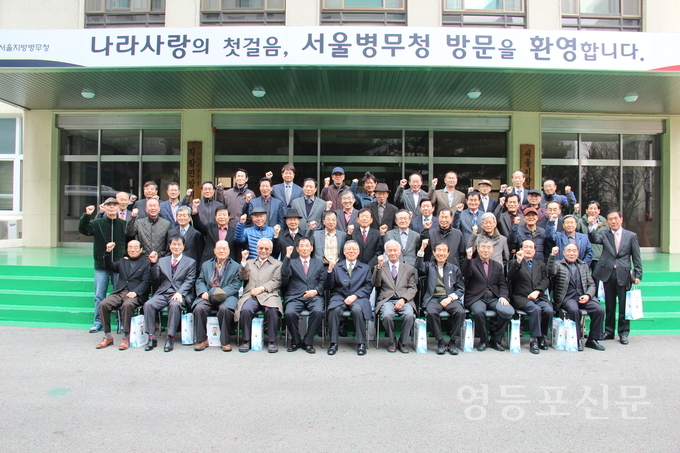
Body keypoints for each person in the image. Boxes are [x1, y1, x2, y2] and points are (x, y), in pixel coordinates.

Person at [590, 210, 643, 345]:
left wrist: (638, 274)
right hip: (608, 273)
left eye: (615, 219)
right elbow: (594, 239)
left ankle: (623, 333)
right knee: (610, 305)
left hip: (623, 274)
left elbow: (636, 256)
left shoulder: (631, 236)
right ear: (607, 222)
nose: (613, 221)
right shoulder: (604, 234)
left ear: (621, 219)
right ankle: (609, 331)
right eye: (610, 219)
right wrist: (592, 227)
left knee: (624, 305)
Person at [78, 197, 127, 333]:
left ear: (118, 208)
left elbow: (129, 240)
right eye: (109, 205)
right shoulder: (97, 223)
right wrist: (87, 215)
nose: (111, 207)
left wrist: (125, 256)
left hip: (118, 265)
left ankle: (120, 321)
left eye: (114, 205)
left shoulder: (123, 224)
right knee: (100, 295)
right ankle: (98, 321)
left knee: (119, 294)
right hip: (101, 265)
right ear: (103, 208)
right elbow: (84, 229)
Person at [143, 236, 197, 352]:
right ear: (169, 246)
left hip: (179, 293)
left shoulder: (191, 262)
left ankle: (170, 337)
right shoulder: (162, 260)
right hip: (163, 293)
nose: (176, 247)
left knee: (175, 305)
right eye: (174, 244)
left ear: (183, 247)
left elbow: (190, 281)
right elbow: (155, 278)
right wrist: (153, 264)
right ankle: (151, 337)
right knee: (148, 304)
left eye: (179, 244)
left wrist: (180, 293)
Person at [547, 244, 605, 351]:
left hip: (583, 296)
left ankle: (593, 339)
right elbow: (550, 272)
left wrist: (588, 295)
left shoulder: (583, 265)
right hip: (567, 297)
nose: (571, 253)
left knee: (599, 309)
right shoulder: (558, 264)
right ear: (564, 253)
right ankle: (576, 339)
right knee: (574, 310)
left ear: (578, 253)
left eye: (574, 251)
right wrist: (552, 256)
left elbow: (591, 284)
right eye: (569, 251)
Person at [95, 240, 151, 350]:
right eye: (130, 247)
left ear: (140, 250)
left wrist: (136, 292)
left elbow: (146, 282)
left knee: (127, 305)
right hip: (120, 292)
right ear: (127, 249)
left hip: (135, 294)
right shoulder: (122, 261)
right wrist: (108, 252)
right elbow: (109, 266)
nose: (132, 250)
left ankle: (126, 336)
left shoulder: (146, 264)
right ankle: (107, 336)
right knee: (103, 304)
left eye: (135, 247)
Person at [461, 239, 514, 352]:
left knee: (507, 311)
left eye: (488, 247)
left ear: (492, 250)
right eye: (483, 247)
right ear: (478, 249)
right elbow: (466, 274)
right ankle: (483, 340)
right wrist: (468, 258)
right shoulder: (472, 263)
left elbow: (502, 284)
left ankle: (496, 340)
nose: (486, 250)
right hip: (476, 297)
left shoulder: (497, 265)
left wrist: (503, 297)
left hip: (494, 297)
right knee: (478, 312)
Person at [416, 240, 465, 355]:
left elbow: (460, 288)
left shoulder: (454, 268)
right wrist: (422, 248)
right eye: (438, 250)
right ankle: (440, 342)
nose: (441, 253)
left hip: (449, 298)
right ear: (434, 252)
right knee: (431, 312)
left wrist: (450, 298)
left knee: (460, 312)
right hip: (433, 298)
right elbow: (418, 266)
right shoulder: (429, 266)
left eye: (444, 251)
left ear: (448, 253)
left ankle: (453, 342)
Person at [192, 240, 241, 352]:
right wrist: (203, 292)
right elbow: (200, 280)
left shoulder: (236, 266)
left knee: (225, 310)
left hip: (227, 296)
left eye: (224, 249)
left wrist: (220, 293)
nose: (221, 251)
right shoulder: (206, 265)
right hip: (208, 295)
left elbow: (236, 284)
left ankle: (225, 341)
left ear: (229, 251)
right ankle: (202, 340)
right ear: (214, 250)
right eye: (219, 248)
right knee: (199, 308)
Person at [326, 241, 373, 356]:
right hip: (339, 296)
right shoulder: (337, 267)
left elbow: (368, 286)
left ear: (358, 252)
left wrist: (355, 296)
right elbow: (329, 286)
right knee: (334, 310)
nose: (351, 251)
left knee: (357, 310)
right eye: (349, 249)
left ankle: (361, 343)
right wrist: (330, 271)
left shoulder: (365, 268)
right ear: (344, 251)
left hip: (358, 297)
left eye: (354, 249)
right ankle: (333, 343)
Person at [507, 239, 553, 354]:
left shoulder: (540, 264)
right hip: (521, 297)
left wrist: (538, 291)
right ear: (521, 249)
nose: (528, 249)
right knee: (535, 309)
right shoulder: (514, 263)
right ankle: (534, 340)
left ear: (535, 251)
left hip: (538, 296)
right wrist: (518, 261)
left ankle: (541, 336)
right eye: (526, 247)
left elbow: (545, 280)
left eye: (531, 247)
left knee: (548, 310)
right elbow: (510, 277)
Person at [236, 238, 283, 353]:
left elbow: (277, 281)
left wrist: (262, 288)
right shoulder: (249, 262)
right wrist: (243, 262)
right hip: (251, 294)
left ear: (271, 250)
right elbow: (243, 277)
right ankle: (246, 340)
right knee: (245, 310)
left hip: (269, 294)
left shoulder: (277, 264)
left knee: (272, 310)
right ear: (257, 249)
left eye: (266, 248)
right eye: (261, 248)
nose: (263, 251)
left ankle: (272, 341)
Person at [281, 238, 326, 353]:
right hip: (295, 296)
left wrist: (316, 291)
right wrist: (287, 256)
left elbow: (323, 282)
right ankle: (296, 341)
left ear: (311, 248)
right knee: (289, 313)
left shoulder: (318, 264)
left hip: (313, 296)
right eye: (301, 246)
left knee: (318, 311)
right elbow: (284, 274)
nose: (304, 248)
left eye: (307, 246)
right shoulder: (291, 262)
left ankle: (308, 341)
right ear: (297, 249)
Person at [372, 241, 418, 353]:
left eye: (395, 250)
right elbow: (375, 284)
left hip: (404, 300)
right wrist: (379, 268)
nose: (392, 253)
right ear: (385, 252)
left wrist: (403, 299)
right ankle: (392, 340)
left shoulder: (408, 268)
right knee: (387, 315)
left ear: (400, 252)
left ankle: (403, 342)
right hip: (387, 300)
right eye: (389, 251)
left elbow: (413, 288)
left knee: (409, 315)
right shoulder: (380, 267)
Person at [577, 201, 607, 274]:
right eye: (590, 208)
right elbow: (574, 229)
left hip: (598, 256)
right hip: (584, 255)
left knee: (597, 278)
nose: (593, 211)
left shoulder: (604, 223)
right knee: (583, 276)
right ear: (586, 211)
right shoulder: (580, 222)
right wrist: (576, 213)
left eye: (595, 208)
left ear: (598, 211)